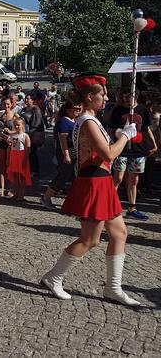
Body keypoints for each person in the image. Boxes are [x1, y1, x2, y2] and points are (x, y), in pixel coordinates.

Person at [41, 73, 140, 306]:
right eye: (102, 94)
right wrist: (125, 137)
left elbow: (102, 150)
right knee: (89, 240)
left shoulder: (90, 120)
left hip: (101, 180)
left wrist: (117, 136)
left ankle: (113, 288)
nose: (106, 97)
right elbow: (109, 154)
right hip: (95, 181)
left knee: (119, 234)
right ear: (89, 96)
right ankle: (53, 277)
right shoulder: (87, 120)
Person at [108, 88, 157, 220]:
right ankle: (109, 205)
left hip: (138, 150)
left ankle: (132, 207)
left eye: (128, 96)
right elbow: (112, 129)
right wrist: (114, 143)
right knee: (117, 178)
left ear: (135, 95)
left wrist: (153, 144)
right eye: (124, 96)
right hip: (122, 149)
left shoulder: (142, 110)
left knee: (133, 180)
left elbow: (146, 129)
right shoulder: (118, 110)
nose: (125, 98)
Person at [41, 97, 82, 209]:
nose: (77, 111)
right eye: (75, 109)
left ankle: (73, 202)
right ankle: (46, 197)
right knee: (63, 176)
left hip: (74, 152)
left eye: (79, 109)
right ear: (68, 109)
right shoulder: (63, 122)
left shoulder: (74, 120)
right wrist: (66, 155)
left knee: (74, 177)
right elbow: (62, 140)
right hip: (66, 152)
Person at [0, 97, 16, 198]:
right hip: (0, 143)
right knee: (1, 167)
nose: (6, 106)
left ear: (11, 104)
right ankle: (1, 188)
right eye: (4, 104)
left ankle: (11, 188)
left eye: (8, 104)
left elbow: (21, 129)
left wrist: (10, 132)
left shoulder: (15, 115)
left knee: (10, 167)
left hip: (10, 144)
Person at [6, 116, 31, 201]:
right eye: (15, 125)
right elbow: (9, 147)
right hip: (14, 156)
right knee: (15, 176)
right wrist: (8, 158)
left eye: (18, 125)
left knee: (22, 176)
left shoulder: (25, 136)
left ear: (22, 125)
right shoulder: (12, 136)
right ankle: (16, 193)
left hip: (21, 156)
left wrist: (25, 159)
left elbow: (27, 149)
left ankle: (21, 194)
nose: (16, 127)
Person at [22, 94, 44, 175]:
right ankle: (28, 169)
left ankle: (34, 170)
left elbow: (37, 123)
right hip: (24, 133)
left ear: (32, 100)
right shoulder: (23, 109)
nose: (26, 100)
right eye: (26, 98)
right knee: (27, 152)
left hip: (32, 133)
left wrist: (29, 133)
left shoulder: (36, 109)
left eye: (28, 98)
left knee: (32, 152)